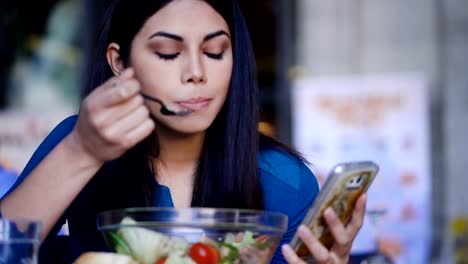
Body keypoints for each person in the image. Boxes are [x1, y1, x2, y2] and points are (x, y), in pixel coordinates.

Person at [0, 0, 367, 263]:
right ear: (119, 61)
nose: (196, 72)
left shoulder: (284, 181)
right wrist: (81, 150)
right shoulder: (78, 140)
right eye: (167, 52)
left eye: (215, 51)